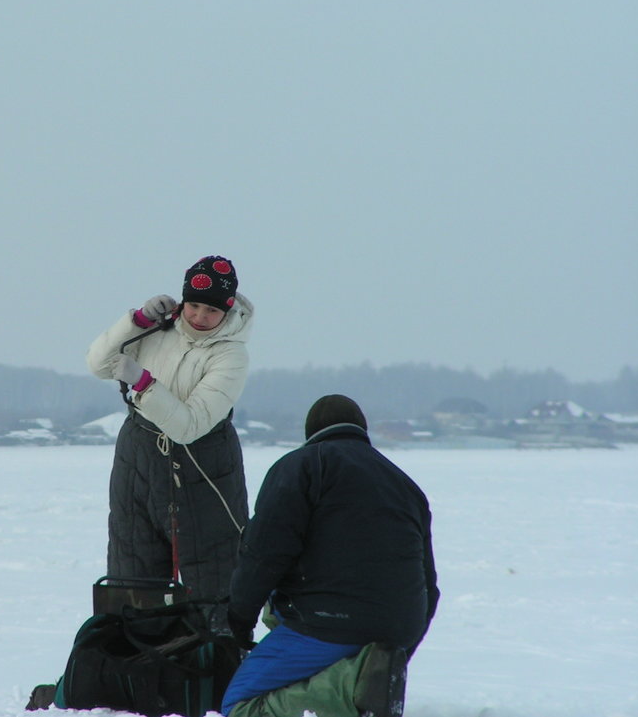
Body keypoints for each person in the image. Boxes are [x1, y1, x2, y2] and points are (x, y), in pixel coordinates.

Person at [222, 394, 439, 717]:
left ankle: (350, 684)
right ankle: (360, 677)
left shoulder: (301, 466)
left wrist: (239, 618)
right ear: (362, 431)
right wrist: (399, 648)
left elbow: (265, 553)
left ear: (310, 434)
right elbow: (429, 584)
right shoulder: (405, 485)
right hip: (398, 627)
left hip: (327, 622)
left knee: (240, 705)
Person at [86, 255, 254, 612]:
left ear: (227, 310)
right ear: (182, 301)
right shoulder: (156, 330)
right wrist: (137, 322)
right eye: (192, 305)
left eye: (211, 311)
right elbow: (98, 363)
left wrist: (145, 384)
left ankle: (215, 658)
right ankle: (133, 659)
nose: (199, 317)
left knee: (213, 577)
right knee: (133, 572)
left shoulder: (231, 356)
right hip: (139, 458)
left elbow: (188, 426)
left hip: (204, 467)